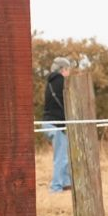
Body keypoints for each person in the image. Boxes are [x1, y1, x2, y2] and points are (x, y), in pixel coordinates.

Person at [42, 55, 72, 192]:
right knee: (61, 157)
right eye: (68, 69)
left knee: (63, 154)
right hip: (56, 124)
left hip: (48, 123)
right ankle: (56, 187)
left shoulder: (50, 82)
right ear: (63, 69)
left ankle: (66, 183)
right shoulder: (61, 82)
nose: (69, 72)